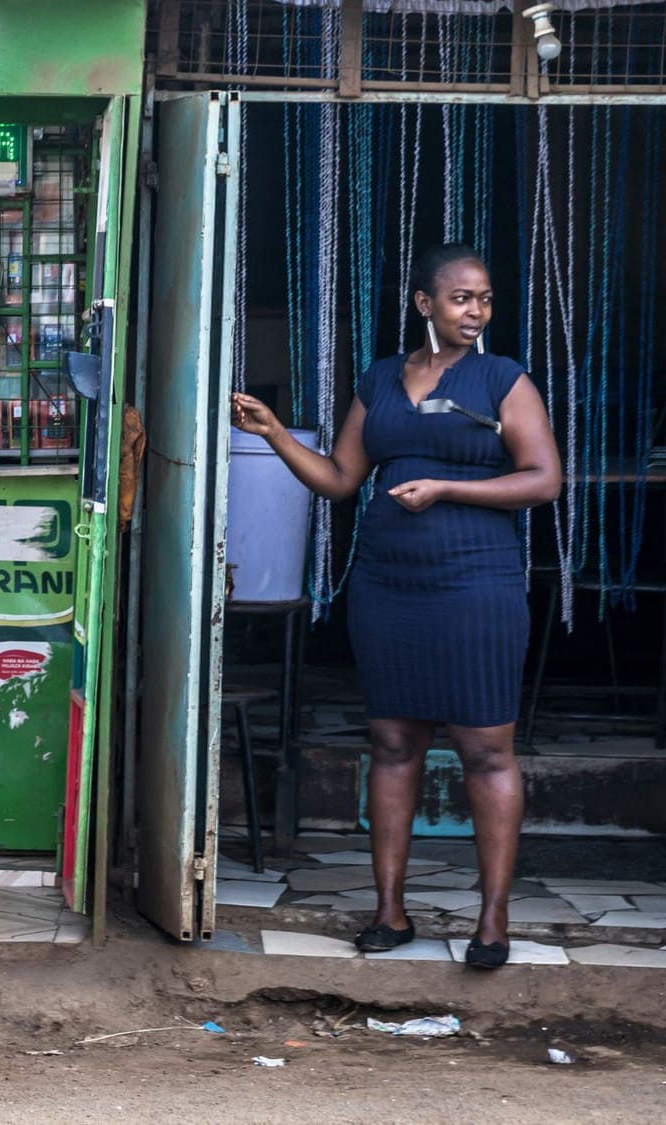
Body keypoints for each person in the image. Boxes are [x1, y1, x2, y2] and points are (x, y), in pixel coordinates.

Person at [232, 243, 560, 968]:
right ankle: (389, 911)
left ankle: (493, 921)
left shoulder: (503, 380)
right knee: (391, 744)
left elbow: (543, 478)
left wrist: (449, 489)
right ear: (424, 304)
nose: (476, 311)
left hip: (478, 585)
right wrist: (277, 433)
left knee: (484, 749)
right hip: (389, 584)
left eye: (485, 299)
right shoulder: (380, 380)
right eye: (461, 298)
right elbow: (342, 478)